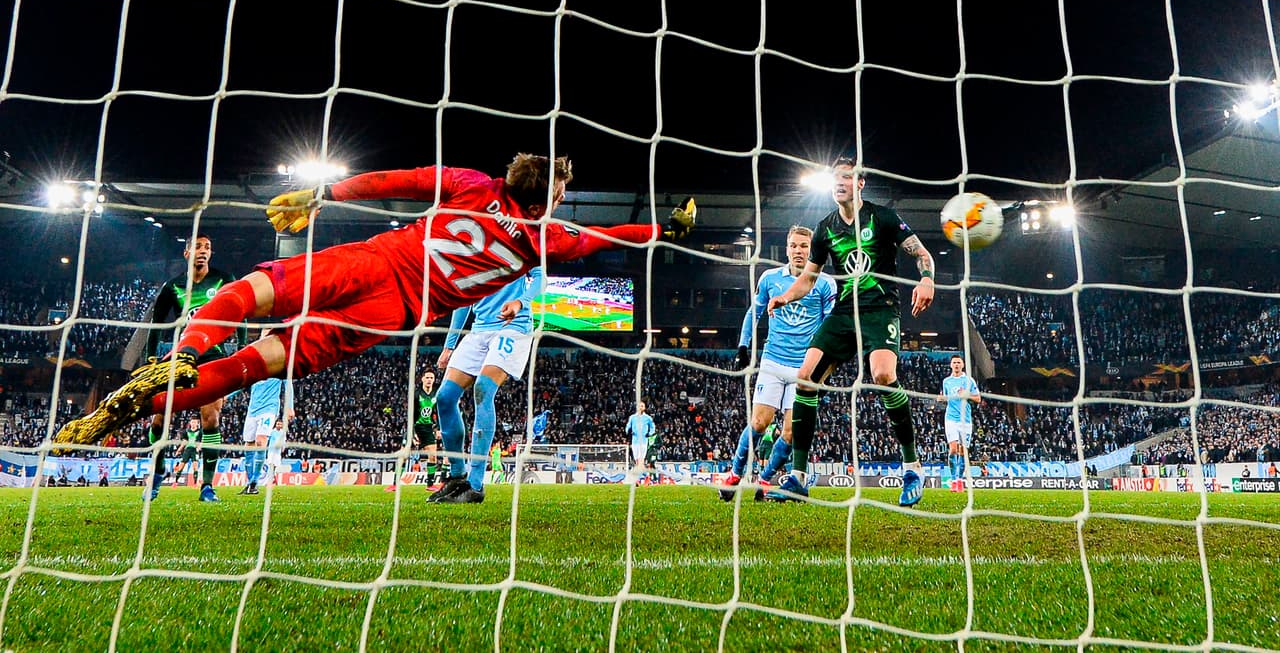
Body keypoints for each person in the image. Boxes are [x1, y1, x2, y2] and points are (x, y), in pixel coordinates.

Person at [55, 155, 697, 450]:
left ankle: (187, 350)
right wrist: (664, 229)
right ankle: (130, 415)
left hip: (375, 257)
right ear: (540, 202)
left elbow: (399, 180)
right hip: (394, 310)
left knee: (249, 290)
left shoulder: (473, 184)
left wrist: (327, 191)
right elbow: (608, 237)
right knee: (265, 360)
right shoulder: (541, 239)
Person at [763, 156, 935, 506]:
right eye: (835, 178)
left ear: (860, 183)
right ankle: (797, 477)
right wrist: (784, 296)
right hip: (844, 312)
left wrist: (927, 279)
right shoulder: (825, 228)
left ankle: (913, 468)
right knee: (805, 377)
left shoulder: (883, 218)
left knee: (883, 374)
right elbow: (809, 280)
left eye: (846, 177)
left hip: (880, 309)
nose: (839, 182)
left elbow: (922, 254)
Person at [720, 225, 836, 503]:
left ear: (813, 250)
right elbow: (754, 311)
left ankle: (765, 479)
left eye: (804, 246)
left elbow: (830, 325)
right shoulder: (770, 278)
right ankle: (734, 475)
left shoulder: (825, 283)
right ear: (787, 249)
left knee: (791, 431)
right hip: (773, 361)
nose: (799, 251)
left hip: (804, 368)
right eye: (794, 246)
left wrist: (826, 363)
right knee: (759, 422)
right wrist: (743, 344)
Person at [139, 234, 241, 504]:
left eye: (207, 247)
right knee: (159, 415)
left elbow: (241, 310)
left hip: (213, 354)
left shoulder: (223, 280)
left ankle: (207, 486)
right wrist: (151, 360)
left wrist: (241, 347)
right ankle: (158, 472)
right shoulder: (172, 287)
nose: (203, 251)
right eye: (197, 247)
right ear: (186, 254)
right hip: (182, 353)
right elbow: (157, 324)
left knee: (211, 417)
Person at [430, 267, 545, 504]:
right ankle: (457, 476)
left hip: (513, 327)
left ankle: (475, 484)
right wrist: (449, 345)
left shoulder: (516, 237)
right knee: (445, 397)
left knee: (482, 388)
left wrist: (520, 303)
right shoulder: (469, 253)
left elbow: (541, 277)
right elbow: (463, 302)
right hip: (479, 330)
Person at [237, 374, 295, 496]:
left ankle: (254, 482)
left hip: (269, 409)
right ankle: (250, 483)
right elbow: (242, 384)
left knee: (261, 441)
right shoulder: (256, 367)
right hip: (252, 410)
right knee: (249, 445)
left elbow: (288, 383)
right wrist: (227, 395)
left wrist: (289, 406)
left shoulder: (278, 366)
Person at [937, 354, 980, 482]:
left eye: (958, 362)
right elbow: (946, 397)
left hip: (965, 419)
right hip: (951, 418)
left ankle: (960, 479)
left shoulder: (969, 380)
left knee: (963, 450)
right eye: (954, 362)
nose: (956, 365)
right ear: (951, 365)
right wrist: (942, 399)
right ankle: (954, 479)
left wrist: (967, 395)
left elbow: (978, 399)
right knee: (953, 448)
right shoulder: (946, 381)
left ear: (963, 365)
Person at [624, 401, 655, 480]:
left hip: (643, 442)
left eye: (642, 406)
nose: (640, 407)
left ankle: (641, 479)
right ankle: (646, 477)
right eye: (639, 406)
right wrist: (627, 430)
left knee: (640, 461)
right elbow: (628, 425)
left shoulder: (648, 418)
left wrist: (650, 433)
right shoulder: (632, 417)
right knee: (637, 461)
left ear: (644, 408)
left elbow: (652, 427)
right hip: (635, 441)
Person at [168, 417, 202, 487]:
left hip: (194, 450)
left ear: (197, 424)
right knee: (181, 466)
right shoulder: (186, 431)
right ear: (190, 423)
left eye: (195, 422)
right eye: (192, 422)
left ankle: (195, 483)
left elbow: (201, 441)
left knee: (195, 466)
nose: (193, 424)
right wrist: (179, 450)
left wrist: (198, 448)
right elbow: (184, 442)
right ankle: (176, 482)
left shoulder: (200, 432)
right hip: (187, 450)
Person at [262, 417, 286, 487]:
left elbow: (283, 441)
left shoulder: (282, 433)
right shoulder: (272, 432)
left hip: (278, 452)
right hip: (271, 451)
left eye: (280, 424)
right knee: (271, 466)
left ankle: (273, 481)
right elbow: (267, 440)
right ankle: (269, 481)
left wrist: (283, 448)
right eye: (278, 424)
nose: (279, 425)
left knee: (275, 466)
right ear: (275, 424)